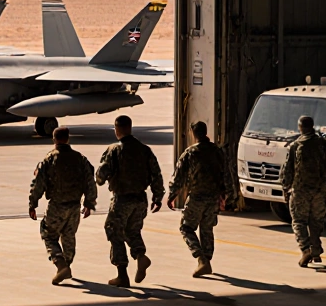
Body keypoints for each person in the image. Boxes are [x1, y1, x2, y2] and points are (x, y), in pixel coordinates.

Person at [95, 115, 164, 287]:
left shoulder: (114, 150)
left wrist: (99, 177)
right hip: (141, 199)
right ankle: (140, 256)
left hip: (122, 199)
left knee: (113, 230)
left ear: (117, 130)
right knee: (131, 231)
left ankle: (122, 274)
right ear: (130, 128)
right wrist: (157, 196)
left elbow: (101, 176)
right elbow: (156, 174)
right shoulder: (144, 149)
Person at [167, 121, 236, 277]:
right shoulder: (218, 152)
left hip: (197, 197)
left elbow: (179, 177)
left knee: (186, 227)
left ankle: (201, 259)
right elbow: (227, 174)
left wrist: (172, 194)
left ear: (193, 133)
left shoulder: (190, 153)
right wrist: (228, 195)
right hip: (213, 198)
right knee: (206, 228)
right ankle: (207, 260)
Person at [29, 127, 97, 285]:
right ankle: (67, 265)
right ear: (68, 139)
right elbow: (90, 182)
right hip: (74, 206)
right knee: (69, 236)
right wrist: (89, 203)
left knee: (48, 233)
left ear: (54, 140)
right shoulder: (80, 158)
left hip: (57, 205)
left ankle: (60, 265)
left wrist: (33, 203)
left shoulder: (50, 159)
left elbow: (38, 183)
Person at [279, 115, 326, 267]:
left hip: (300, 191)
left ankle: (306, 250)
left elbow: (287, 170)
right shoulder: (324, 145)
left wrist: (285, 188)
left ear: (300, 128)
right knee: (316, 220)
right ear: (313, 126)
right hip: (319, 189)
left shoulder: (295, 145)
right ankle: (316, 250)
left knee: (299, 221)